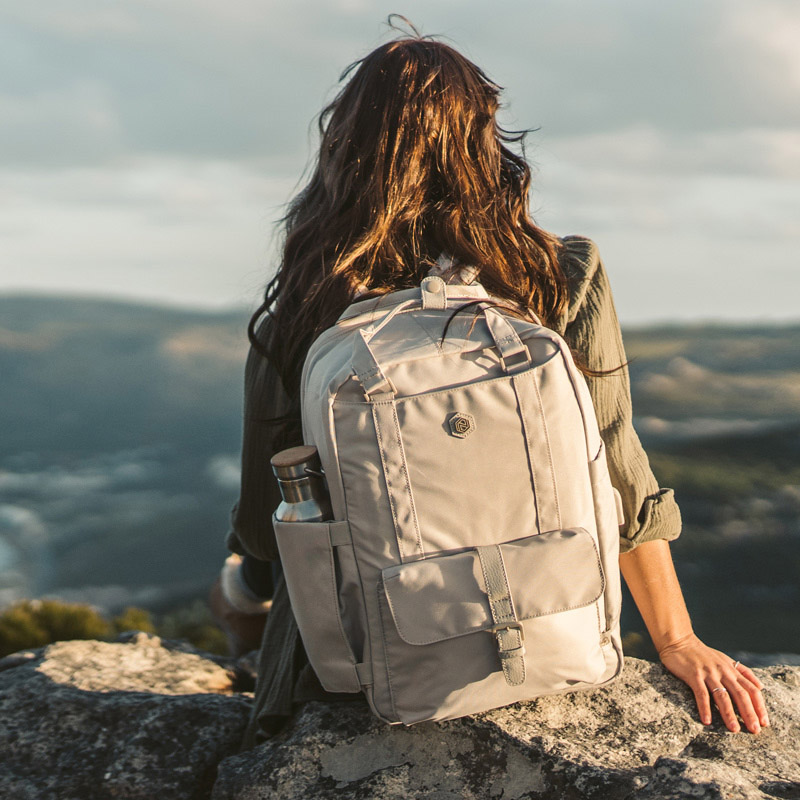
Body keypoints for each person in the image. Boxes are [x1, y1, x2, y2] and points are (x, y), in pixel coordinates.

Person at [211, 24, 769, 749]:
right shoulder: (559, 274)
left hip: (348, 677)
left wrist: (241, 599)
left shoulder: (310, 302)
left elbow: (266, 524)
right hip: (544, 637)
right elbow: (618, 473)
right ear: (482, 141)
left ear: (346, 151)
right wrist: (678, 638)